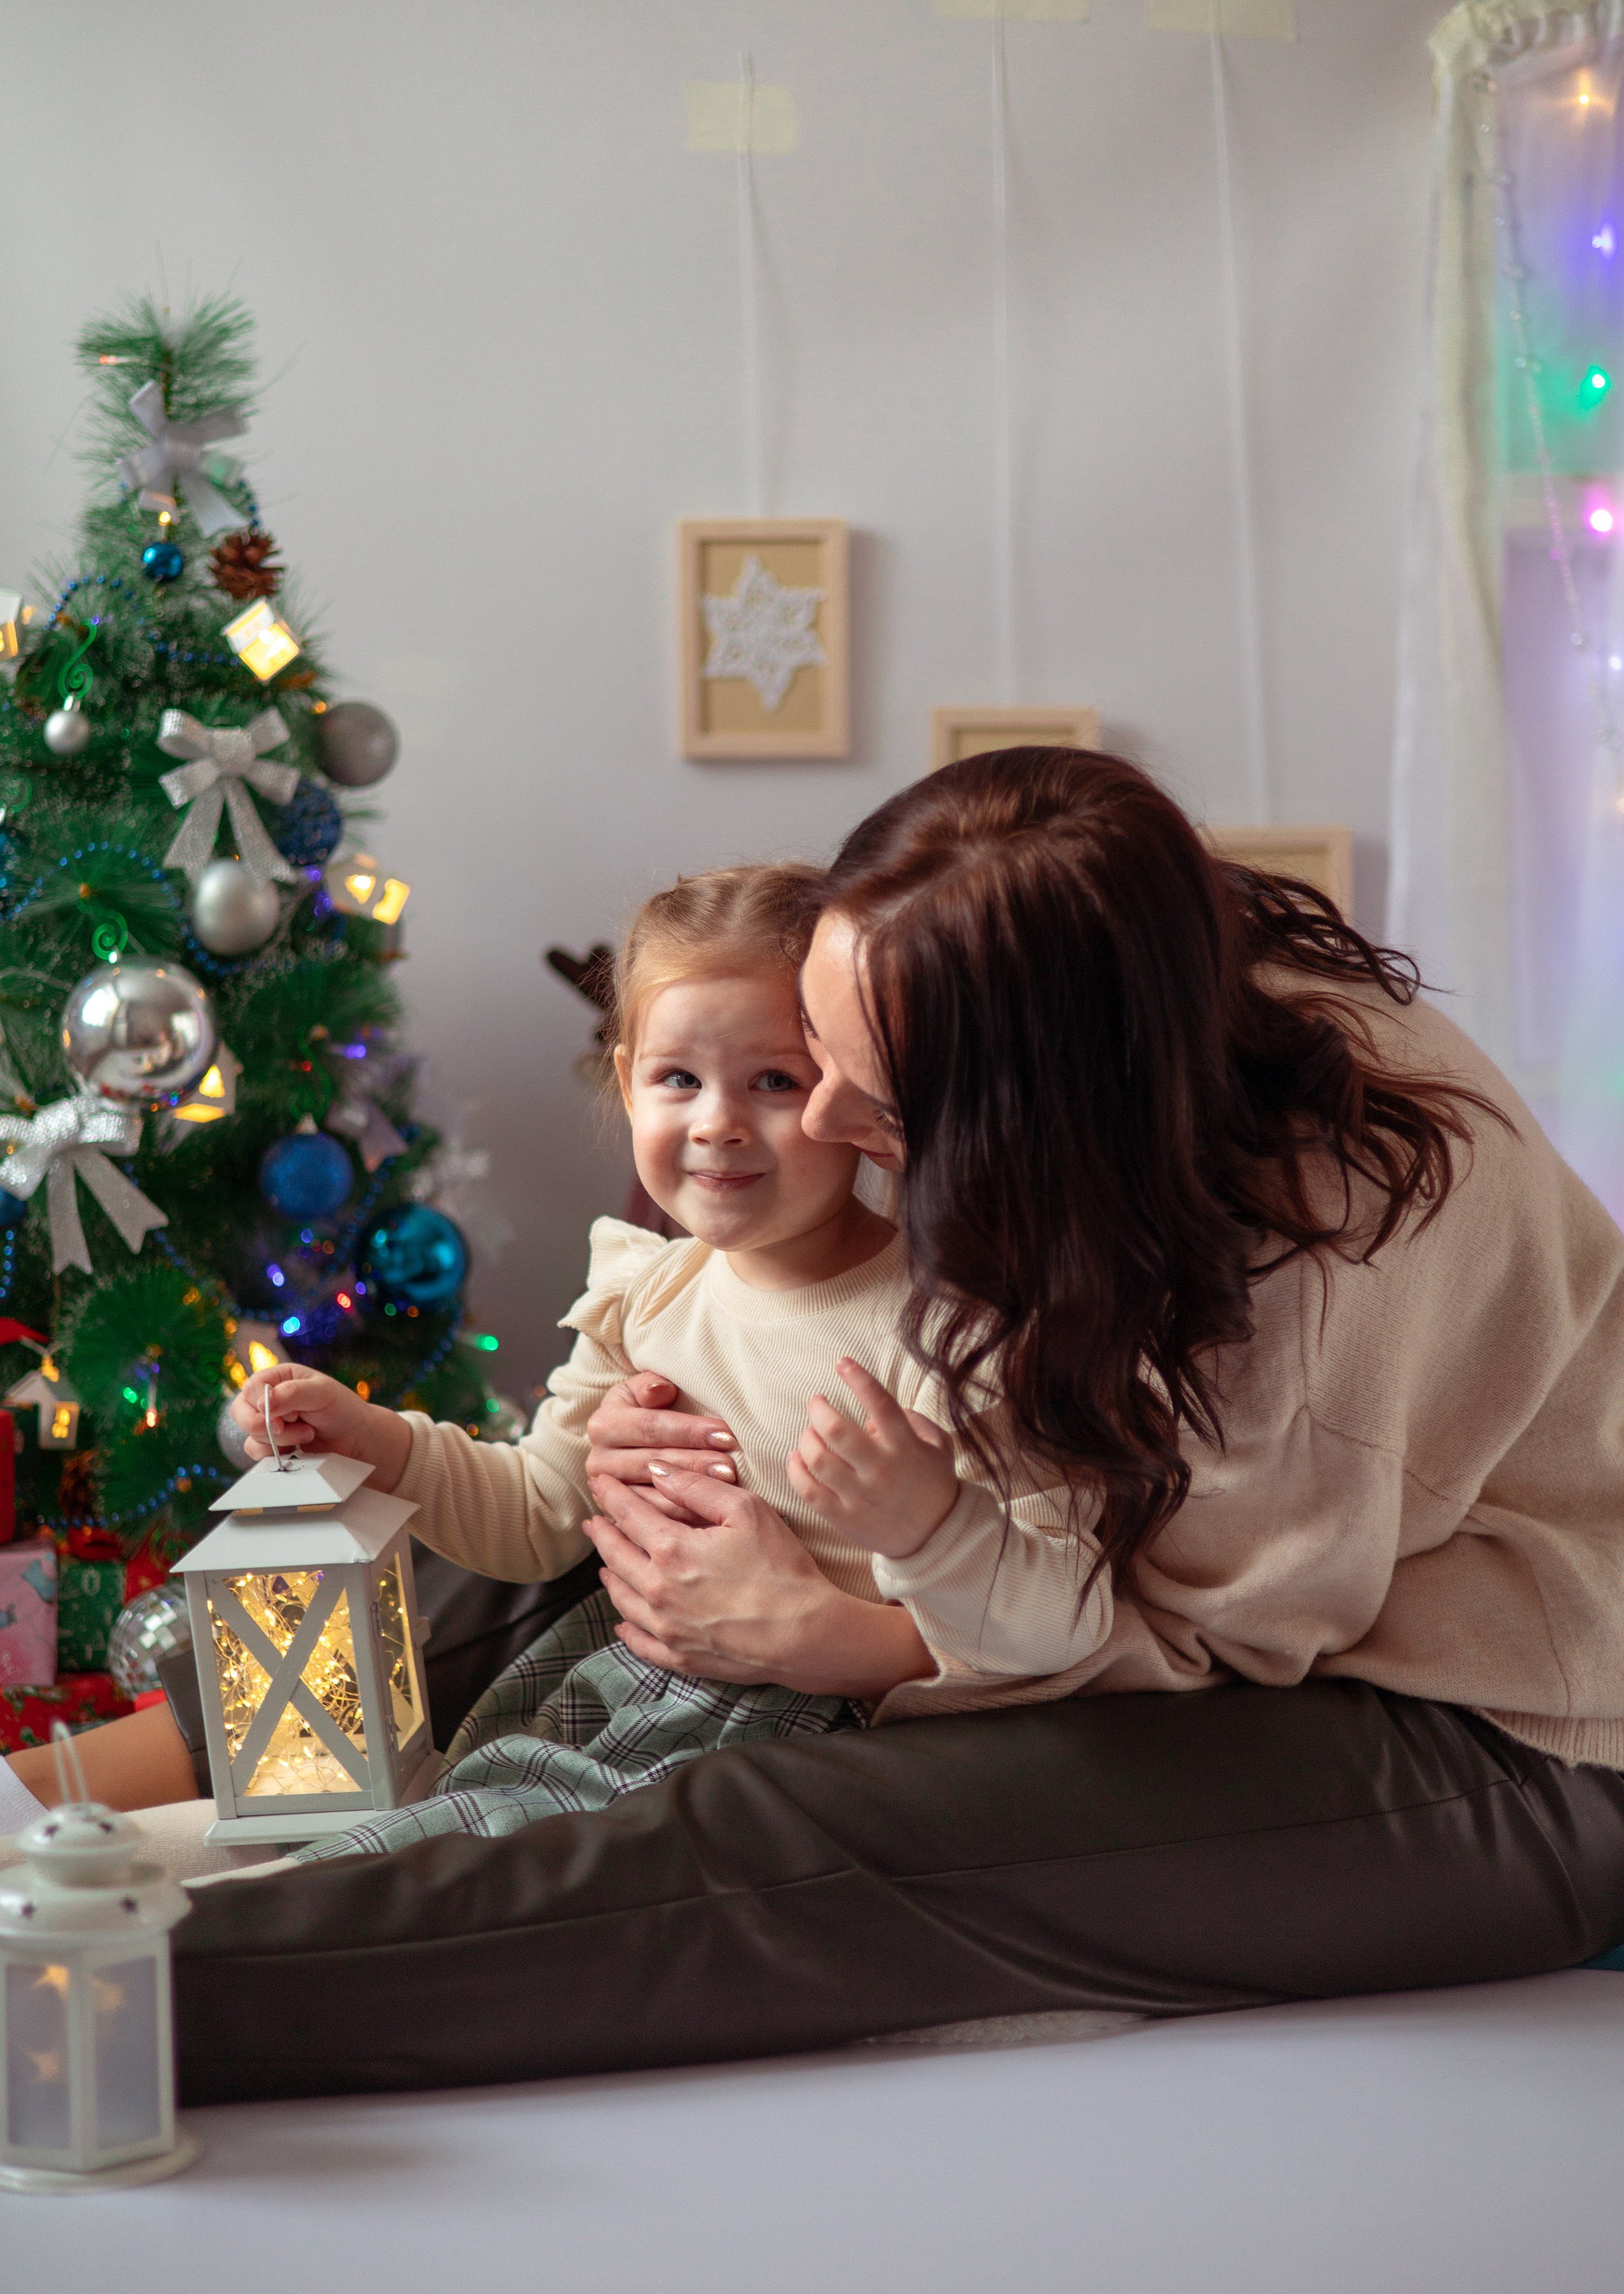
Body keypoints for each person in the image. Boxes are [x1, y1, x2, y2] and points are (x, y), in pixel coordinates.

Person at [152, 750, 1624, 2101]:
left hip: (1485, 1723)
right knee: (603, 1506)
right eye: (826, 1038)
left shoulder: (1306, 1323)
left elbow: (1175, 1645)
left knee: (803, 1826)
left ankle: (127, 1994)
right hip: (1087, 1560)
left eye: (874, 1091)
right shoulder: (1122, 965)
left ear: (1032, 1110)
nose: (830, 1115)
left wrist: (843, 1640)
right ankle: (70, 1789)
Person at [3, 861, 1102, 1853]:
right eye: (679, 1079)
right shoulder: (646, 1295)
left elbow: (1060, 1615)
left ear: (850, 1091)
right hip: (613, 1683)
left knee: (441, 1869)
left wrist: (928, 1524)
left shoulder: (944, 1324)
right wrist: (375, 1436)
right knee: (385, 1839)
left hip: (799, 1733)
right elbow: (533, 1515)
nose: (717, 1124)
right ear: (625, 1082)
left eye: (773, 1080)